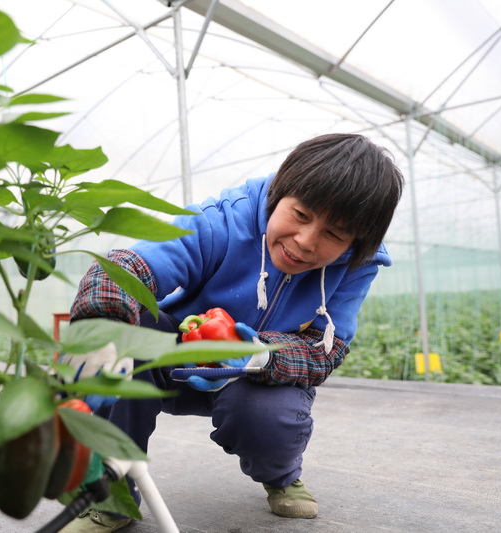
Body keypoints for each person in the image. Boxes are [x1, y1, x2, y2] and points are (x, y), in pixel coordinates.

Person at [60, 133, 404, 532]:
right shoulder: (225, 219)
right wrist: (102, 322)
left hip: (258, 376)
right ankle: (111, 498)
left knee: (267, 418)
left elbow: (327, 346)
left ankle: (280, 475)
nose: (305, 242)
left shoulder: (358, 265)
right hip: (176, 360)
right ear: (279, 192)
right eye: (301, 215)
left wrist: (260, 354)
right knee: (126, 337)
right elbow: (131, 267)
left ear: (356, 242)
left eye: (335, 235)